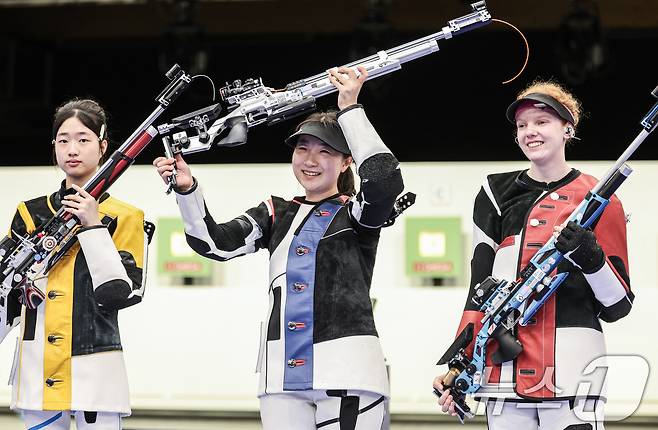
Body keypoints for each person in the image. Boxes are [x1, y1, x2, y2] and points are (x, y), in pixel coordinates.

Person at [153, 66, 404, 429]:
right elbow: (214, 244)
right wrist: (187, 190)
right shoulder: (275, 212)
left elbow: (383, 181)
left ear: (347, 161)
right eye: (303, 148)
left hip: (349, 370)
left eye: (326, 151)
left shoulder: (358, 213)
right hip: (280, 375)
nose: (310, 160)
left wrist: (350, 109)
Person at [433, 80, 632, 429]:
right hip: (502, 372)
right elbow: (479, 286)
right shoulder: (495, 191)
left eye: (542, 121)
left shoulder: (601, 198)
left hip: (574, 369)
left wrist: (591, 257)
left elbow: (618, 305)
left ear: (567, 128)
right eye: (522, 125)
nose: (530, 132)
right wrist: (460, 364)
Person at [3, 98, 151, 429]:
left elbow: (125, 292)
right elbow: (6, 290)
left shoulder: (127, 216)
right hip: (37, 365)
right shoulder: (31, 213)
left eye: (83, 139)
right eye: (63, 139)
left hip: (96, 367)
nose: (72, 148)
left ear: (103, 146)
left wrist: (94, 225)